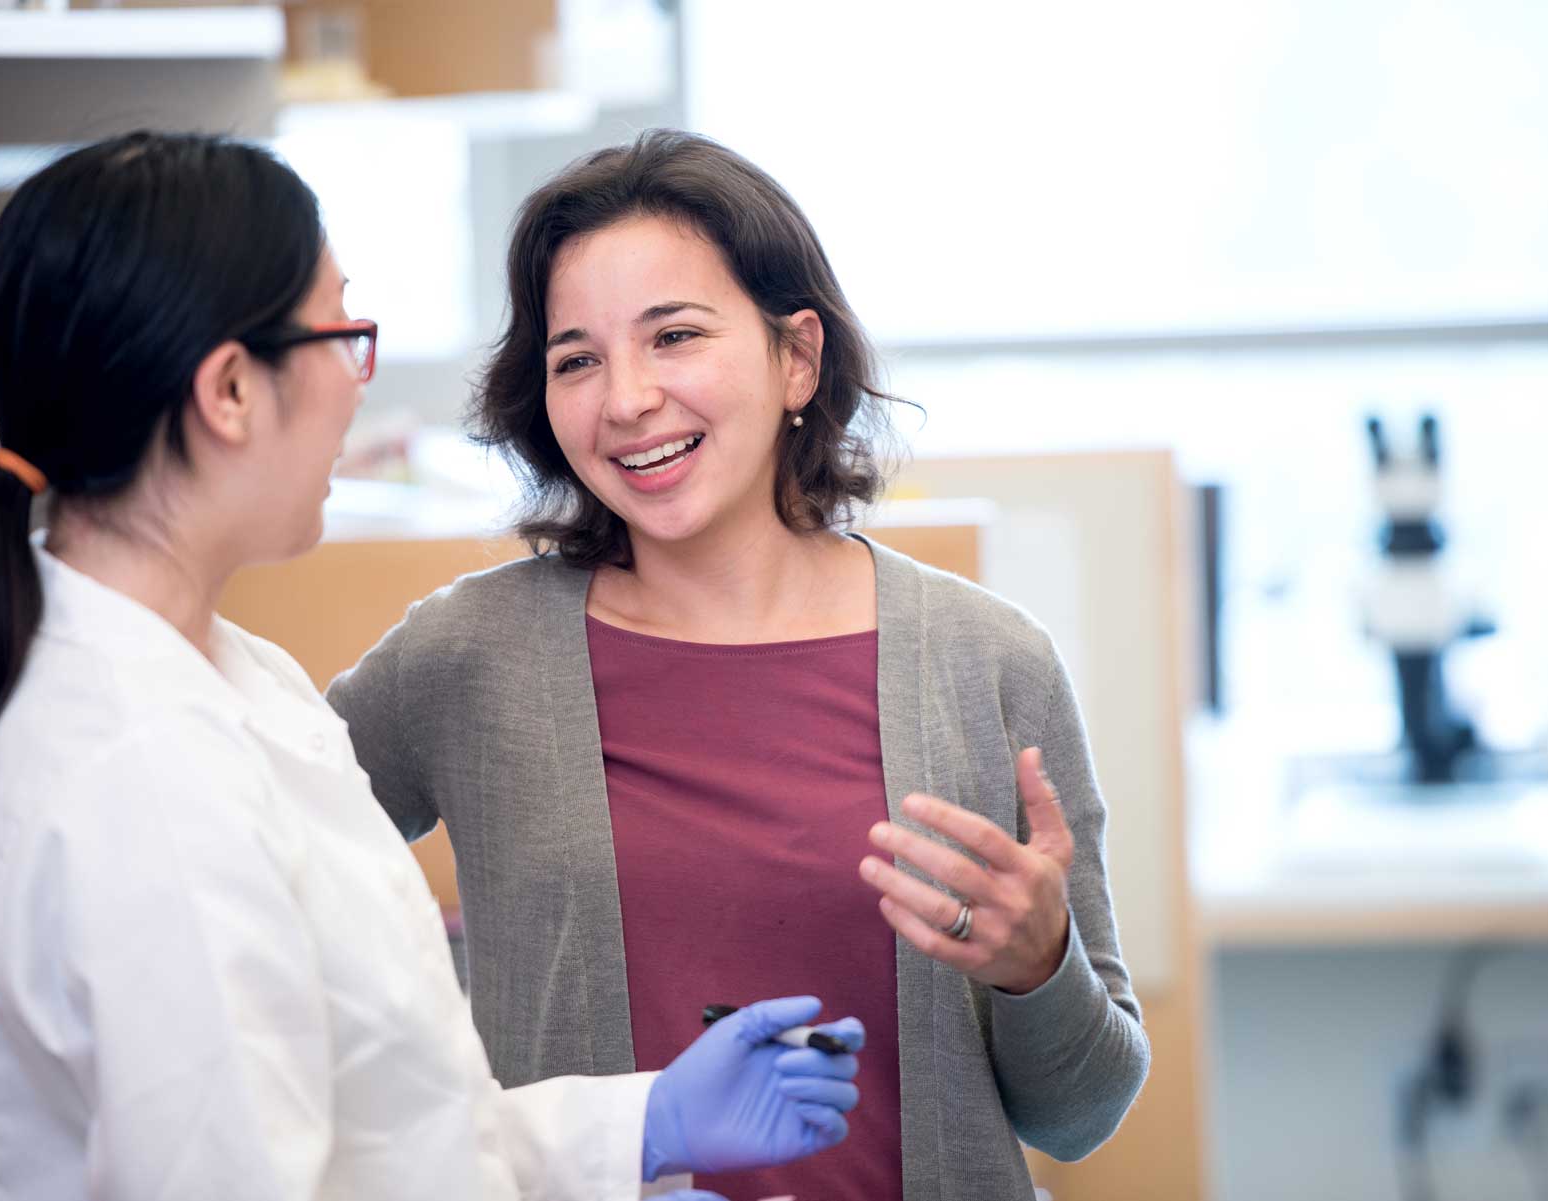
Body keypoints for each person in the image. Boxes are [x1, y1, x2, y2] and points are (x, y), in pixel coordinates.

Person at [0, 131, 865, 1201]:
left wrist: (640, 1126)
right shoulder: (141, 779)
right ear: (231, 390)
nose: (355, 388)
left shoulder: (230, 676)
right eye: (342, 335)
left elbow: (383, 1139)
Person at [326, 129, 1149, 1201]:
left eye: (673, 336)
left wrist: (1042, 965)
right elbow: (240, 881)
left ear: (795, 356)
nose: (625, 399)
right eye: (577, 357)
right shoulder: (466, 659)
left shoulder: (988, 663)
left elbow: (1081, 1116)